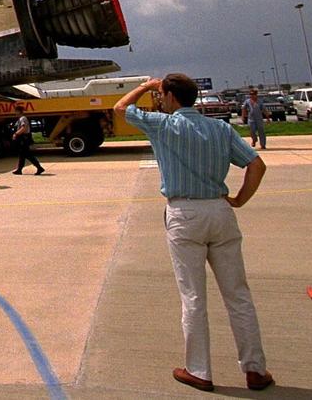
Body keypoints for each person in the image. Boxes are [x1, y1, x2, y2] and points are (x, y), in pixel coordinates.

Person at [114, 75, 273, 392]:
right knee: (238, 296)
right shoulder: (221, 129)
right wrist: (239, 199)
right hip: (220, 210)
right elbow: (257, 166)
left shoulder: (162, 125)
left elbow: (120, 108)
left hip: (185, 213)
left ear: (171, 97)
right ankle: (255, 369)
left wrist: (145, 87)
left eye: (162, 95)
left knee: (193, 297)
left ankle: (199, 370)